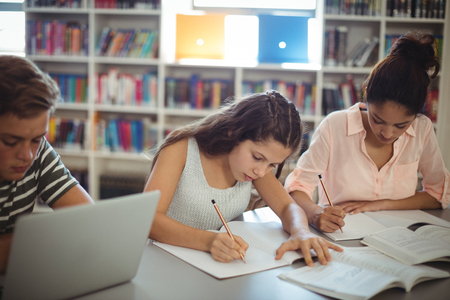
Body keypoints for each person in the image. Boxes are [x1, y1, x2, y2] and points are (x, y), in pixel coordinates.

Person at [144, 90, 343, 266]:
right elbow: (149, 220)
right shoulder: (180, 150)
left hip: (215, 264)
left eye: (272, 165)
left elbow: (286, 207)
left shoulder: (254, 168)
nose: (262, 172)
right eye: (258, 157)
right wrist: (208, 241)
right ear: (234, 132)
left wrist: (301, 231)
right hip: (163, 260)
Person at [285, 31, 449, 233]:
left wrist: (380, 204)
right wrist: (315, 212)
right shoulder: (335, 126)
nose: (387, 134)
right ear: (365, 92)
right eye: (378, 120)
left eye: (401, 126)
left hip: (402, 236)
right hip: (343, 233)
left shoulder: (422, 128)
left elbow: (438, 194)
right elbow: (297, 187)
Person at [0, 55, 94, 273]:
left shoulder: (38, 150)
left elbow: (87, 219)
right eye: (10, 141)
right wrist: (47, 240)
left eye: (36, 139)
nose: (27, 154)